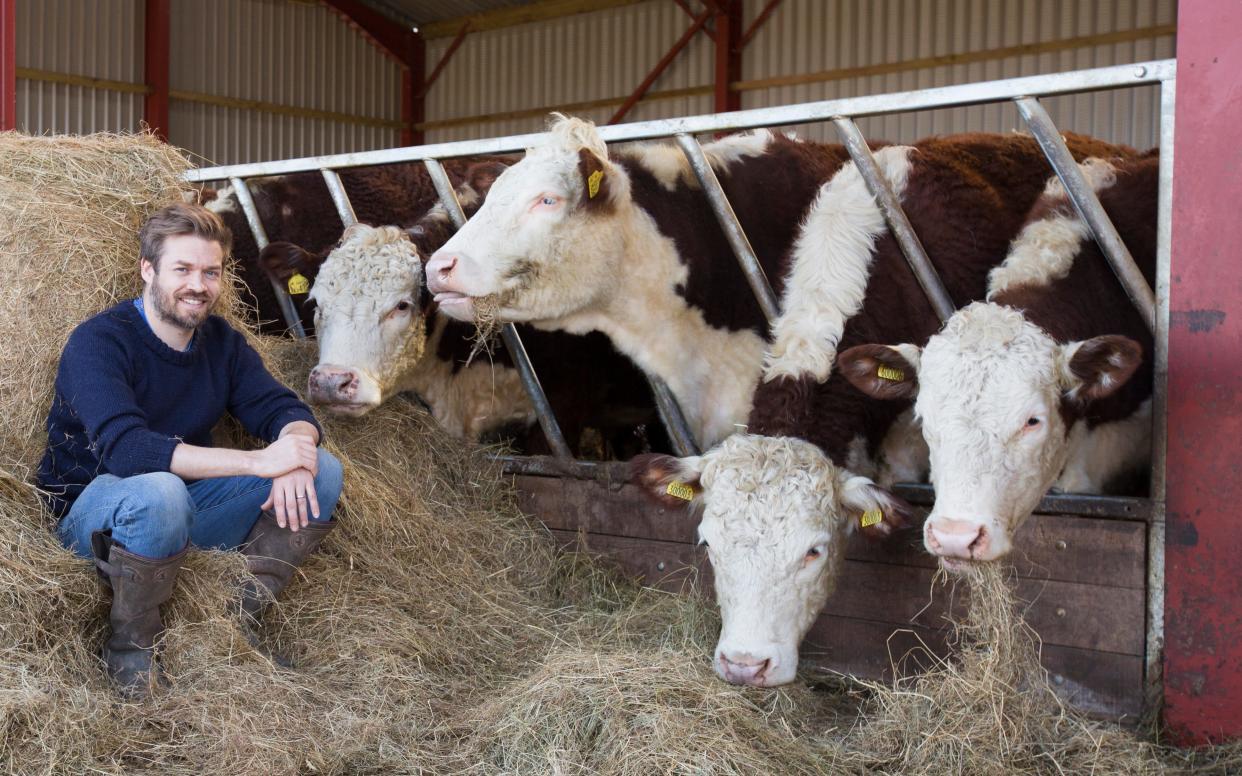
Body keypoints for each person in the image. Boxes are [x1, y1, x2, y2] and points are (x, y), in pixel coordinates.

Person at [37, 202, 344, 696]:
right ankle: (132, 652)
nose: (198, 285)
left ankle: (233, 625)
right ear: (148, 270)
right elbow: (130, 452)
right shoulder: (99, 342)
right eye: (182, 269)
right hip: (95, 519)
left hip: (182, 509)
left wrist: (294, 449)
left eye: (210, 271)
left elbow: (284, 408)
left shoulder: (221, 342)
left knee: (322, 470)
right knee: (158, 489)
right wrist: (262, 461)